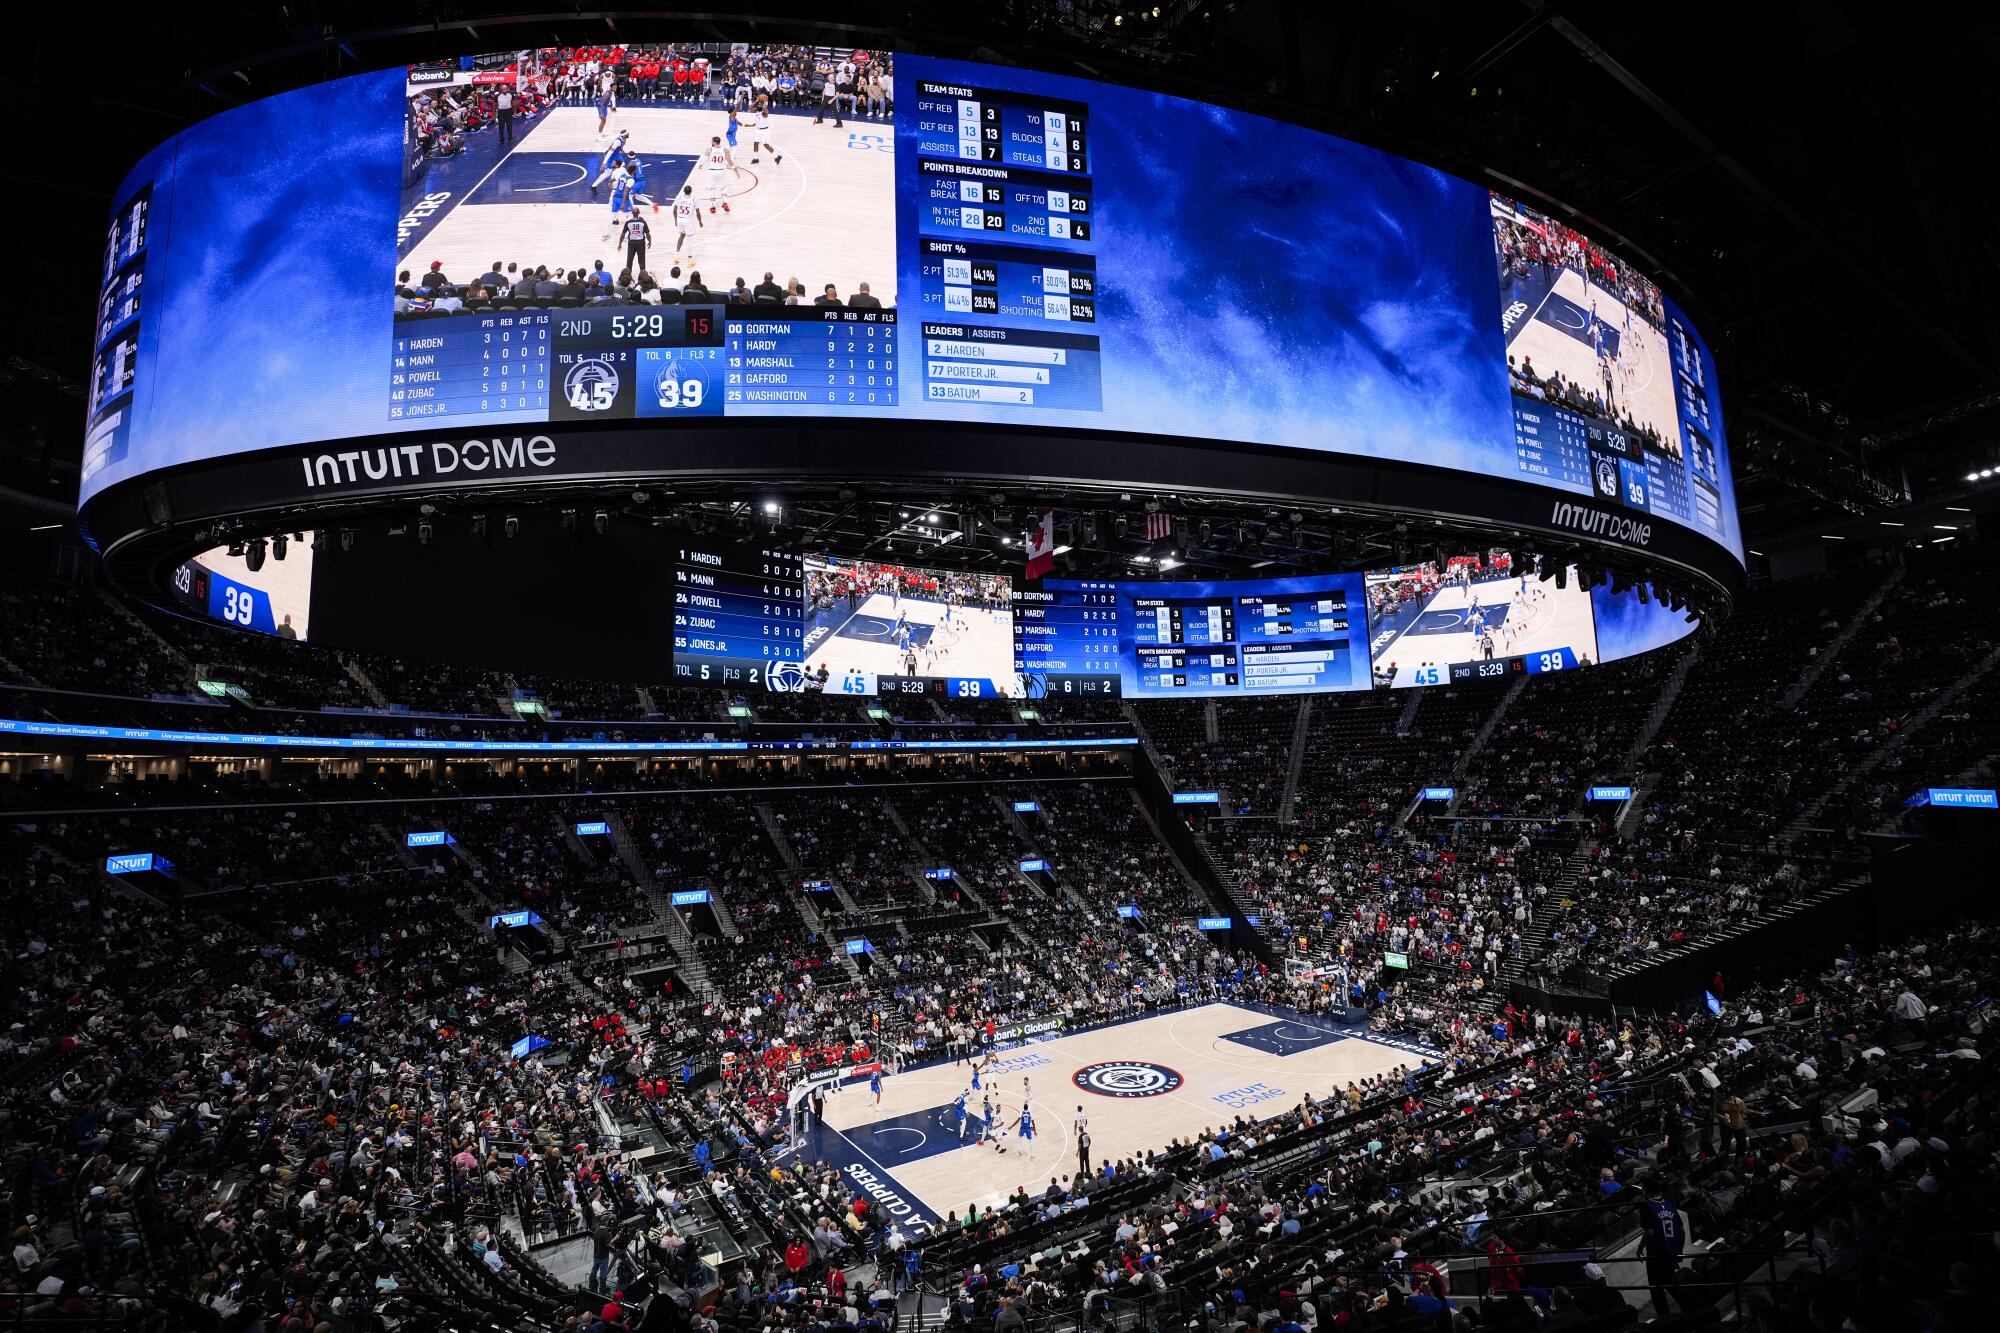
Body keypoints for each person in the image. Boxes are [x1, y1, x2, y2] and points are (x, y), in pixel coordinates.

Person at [1637, 1188, 1684, 1318]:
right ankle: (1688, 1309)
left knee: (1657, 1291)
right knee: (1670, 1283)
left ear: (1646, 1192)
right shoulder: (1669, 1204)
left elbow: (1649, 1232)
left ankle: (1665, 1320)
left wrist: (1640, 1247)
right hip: (1670, 1253)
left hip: (1656, 1256)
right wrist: (1679, 1251)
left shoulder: (1646, 1206)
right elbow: (1681, 1230)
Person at [671, 186, 703, 267]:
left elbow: (674, 210)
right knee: (689, 240)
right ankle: (690, 261)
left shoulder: (679, 197)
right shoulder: (694, 199)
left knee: (681, 236)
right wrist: (700, 222)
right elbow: (698, 213)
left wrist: (675, 220)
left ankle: (676, 255)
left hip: (679, 219)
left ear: (683, 191)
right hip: (688, 221)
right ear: (691, 191)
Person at [703, 136, 734, 212]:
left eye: (711, 141)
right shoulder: (725, 150)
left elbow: (704, 160)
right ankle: (725, 202)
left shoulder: (709, 150)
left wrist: (701, 165)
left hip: (712, 172)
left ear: (713, 142)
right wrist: (735, 169)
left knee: (712, 189)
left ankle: (713, 207)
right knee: (724, 188)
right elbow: (729, 161)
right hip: (721, 171)